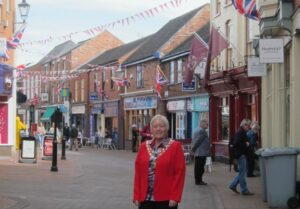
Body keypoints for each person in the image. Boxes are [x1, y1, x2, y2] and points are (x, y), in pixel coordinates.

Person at [133, 114, 186, 209]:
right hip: (145, 198)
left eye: (161, 126)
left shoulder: (175, 146)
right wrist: (136, 195)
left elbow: (179, 174)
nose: (158, 129)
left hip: (166, 199)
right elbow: (138, 173)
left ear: (166, 128)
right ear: (151, 129)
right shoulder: (144, 146)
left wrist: (175, 197)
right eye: (155, 126)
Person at [229, 119, 254, 196]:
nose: (249, 127)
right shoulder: (240, 133)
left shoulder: (242, 132)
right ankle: (244, 190)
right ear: (244, 125)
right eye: (248, 125)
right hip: (241, 155)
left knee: (241, 173)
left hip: (241, 154)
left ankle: (233, 185)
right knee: (242, 173)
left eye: (249, 125)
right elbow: (236, 143)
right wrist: (246, 144)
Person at [191, 119, 211, 185]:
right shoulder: (202, 131)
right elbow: (198, 141)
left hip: (198, 152)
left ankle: (198, 180)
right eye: (206, 124)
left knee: (198, 167)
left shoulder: (196, 129)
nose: (207, 125)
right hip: (201, 152)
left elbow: (195, 141)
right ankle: (199, 181)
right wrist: (193, 149)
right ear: (202, 124)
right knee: (200, 168)